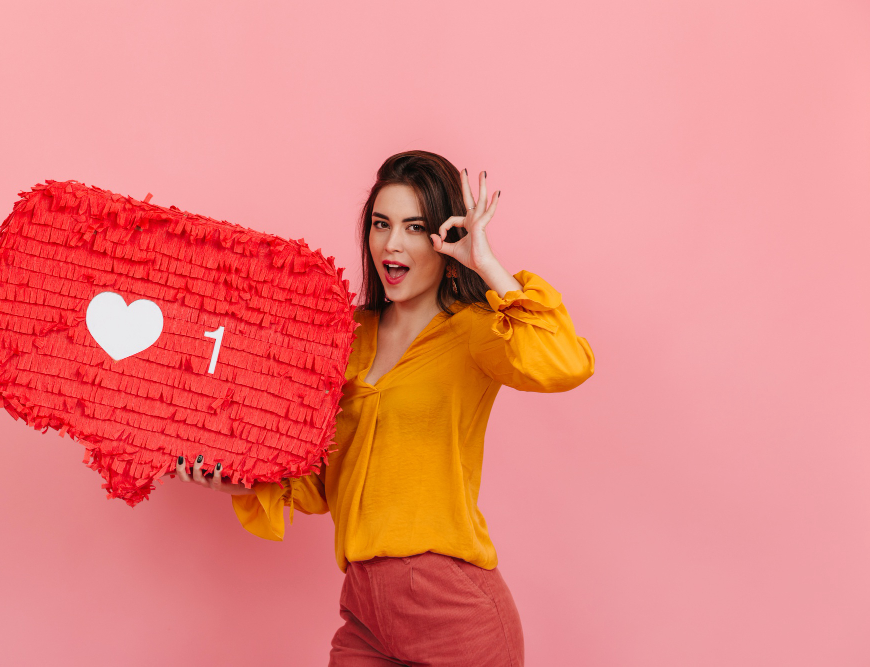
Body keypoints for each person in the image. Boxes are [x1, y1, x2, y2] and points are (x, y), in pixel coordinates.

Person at [173, 150, 595, 665]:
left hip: (453, 609)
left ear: (446, 239)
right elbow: (323, 476)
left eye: (415, 227)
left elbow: (566, 361)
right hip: (365, 610)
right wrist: (238, 478)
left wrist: (485, 262)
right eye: (380, 224)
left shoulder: (473, 333)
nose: (391, 243)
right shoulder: (345, 336)